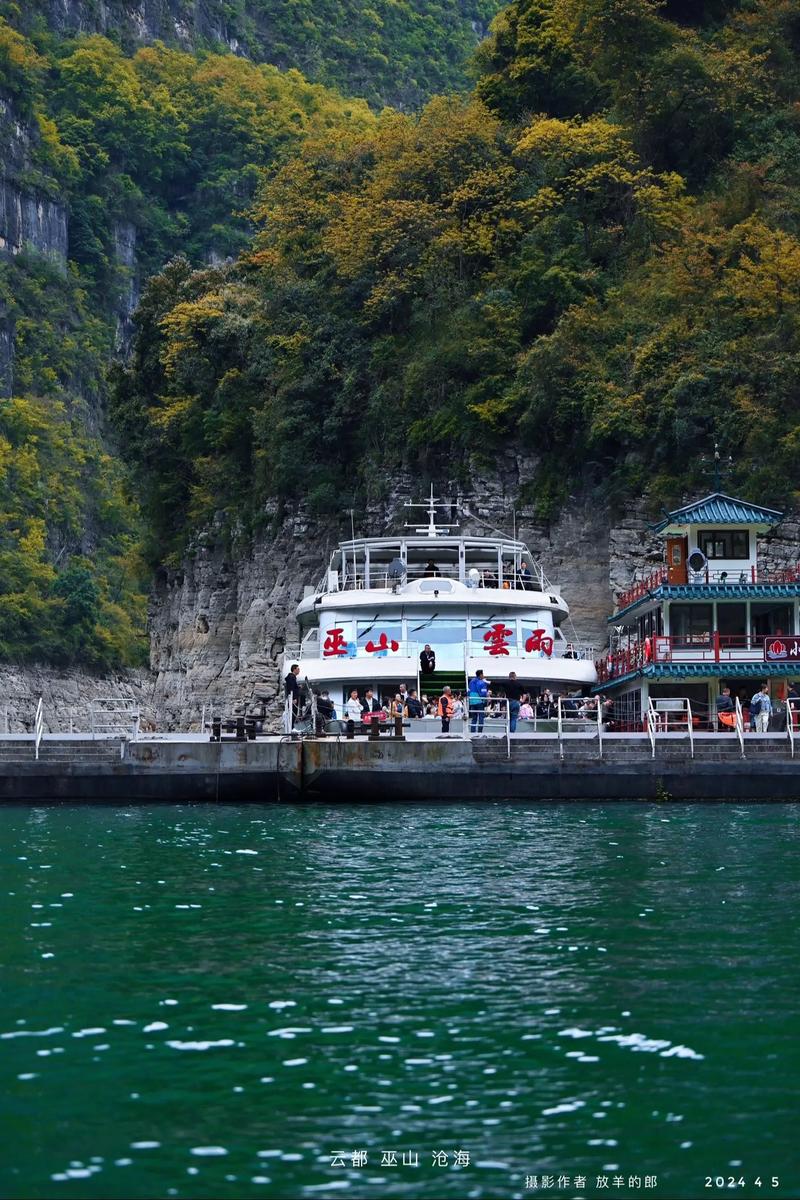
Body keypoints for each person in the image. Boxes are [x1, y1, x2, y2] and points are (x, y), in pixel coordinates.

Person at [468, 669, 490, 733]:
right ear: (480, 675)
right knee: (481, 717)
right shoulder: (482, 682)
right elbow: (483, 693)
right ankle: (480, 732)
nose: (483, 675)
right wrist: (485, 697)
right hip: (480, 702)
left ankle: (472, 732)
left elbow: (468, 692)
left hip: (472, 701)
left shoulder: (471, 681)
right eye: (483, 674)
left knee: (474, 718)